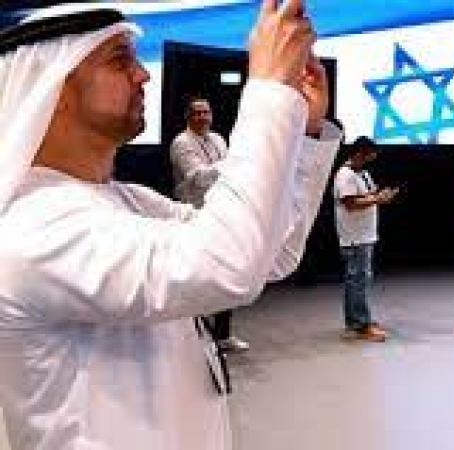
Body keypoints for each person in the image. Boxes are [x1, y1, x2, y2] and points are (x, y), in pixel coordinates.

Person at [0, 1, 340, 449]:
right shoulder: (34, 226)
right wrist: (270, 90)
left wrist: (305, 132)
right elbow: (230, 264)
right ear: (53, 87)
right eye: (120, 60)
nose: (143, 75)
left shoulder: (128, 201)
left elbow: (272, 254)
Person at [170, 97, 249, 353]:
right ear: (188, 117)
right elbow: (198, 178)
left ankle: (223, 334)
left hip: (221, 213)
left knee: (226, 272)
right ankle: (196, 339)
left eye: (207, 112)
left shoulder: (218, 139)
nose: (203, 117)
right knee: (198, 276)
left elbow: (231, 175)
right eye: (198, 113)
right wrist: (231, 165)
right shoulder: (182, 142)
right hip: (193, 215)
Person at [333, 136, 397, 341]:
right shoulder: (345, 175)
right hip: (355, 236)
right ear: (360, 154)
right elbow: (350, 203)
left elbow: (367, 195)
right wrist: (377, 199)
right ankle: (361, 325)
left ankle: (355, 320)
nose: (372, 159)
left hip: (364, 234)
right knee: (358, 280)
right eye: (370, 156)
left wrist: (380, 195)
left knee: (356, 279)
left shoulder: (362, 173)